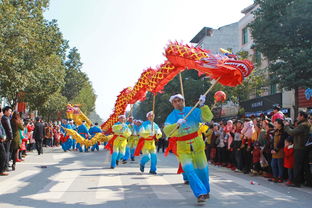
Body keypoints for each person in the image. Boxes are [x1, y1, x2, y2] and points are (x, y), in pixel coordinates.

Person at [163, 94, 213, 203]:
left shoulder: (192, 110)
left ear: (183, 101)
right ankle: (200, 193)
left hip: (197, 145)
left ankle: (206, 190)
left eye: (179, 100)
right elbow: (167, 131)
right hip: (183, 147)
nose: (177, 103)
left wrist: (203, 105)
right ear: (172, 104)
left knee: (203, 170)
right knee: (189, 170)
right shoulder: (171, 116)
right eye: (175, 101)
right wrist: (176, 124)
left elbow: (208, 118)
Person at [284, 111, 311, 187]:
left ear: (302, 117)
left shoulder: (302, 125)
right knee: (305, 166)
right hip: (304, 147)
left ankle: (297, 182)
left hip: (299, 148)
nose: (297, 118)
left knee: (297, 166)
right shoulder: (306, 124)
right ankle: (307, 182)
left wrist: (286, 126)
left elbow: (292, 132)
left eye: (298, 116)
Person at [269, 118, 286, 183]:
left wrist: (276, 150)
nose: (274, 124)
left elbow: (281, 142)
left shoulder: (283, 132)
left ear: (280, 124)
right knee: (273, 164)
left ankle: (280, 177)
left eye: (276, 123)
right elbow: (273, 141)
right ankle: (275, 176)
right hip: (274, 151)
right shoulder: (275, 131)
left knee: (280, 165)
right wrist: (272, 149)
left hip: (280, 150)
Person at [1, 106, 13, 171]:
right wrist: (11, 137)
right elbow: (9, 129)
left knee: (5, 152)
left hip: (4, 137)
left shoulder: (3, 118)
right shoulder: (6, 118)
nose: (10, 112)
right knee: (7, 152)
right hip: (7, 138)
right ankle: (6, 166)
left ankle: (5, 166)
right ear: (5, 111)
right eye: (10, 111)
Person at [0, 107, 9, 176]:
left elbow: (2, 129)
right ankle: (2, 170)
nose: (1, 114)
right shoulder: (4, 119)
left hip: (1, 139)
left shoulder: (1, 120)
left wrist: (4, 136)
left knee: (3, 155)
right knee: (3, 155)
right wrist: (2, 136)